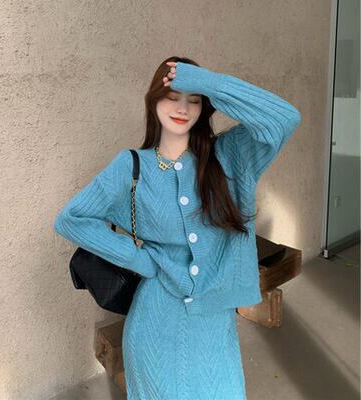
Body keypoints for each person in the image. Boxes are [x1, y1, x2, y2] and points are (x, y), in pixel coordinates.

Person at [53, 55, 301, 399]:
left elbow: (284, 118)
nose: (182, 108)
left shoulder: (229, 157)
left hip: (214, 328)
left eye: (194, 99)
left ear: (204, 106)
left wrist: (209, 82)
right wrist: (137, 259)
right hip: (154, 324)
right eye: (172, 97)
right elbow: (71, 219)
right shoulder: (132, 167)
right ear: (154, 101)